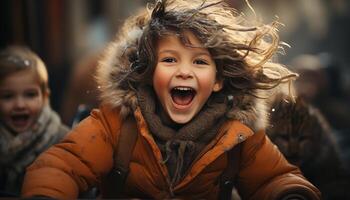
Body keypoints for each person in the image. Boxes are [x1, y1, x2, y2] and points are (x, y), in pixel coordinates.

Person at [21, 0, 321, 199]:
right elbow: (64, 164)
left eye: (200, 63)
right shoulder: (116, 125)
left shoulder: (238, 134)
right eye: (169, 60)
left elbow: (273, 177)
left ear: (217, 81)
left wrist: (290, 194)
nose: (184, 72)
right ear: (149, 73)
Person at [0, 45, 70, 196]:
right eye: (7, 96)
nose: (19, 105)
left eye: (30, 95)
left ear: (45, 97)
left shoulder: (62, 141)